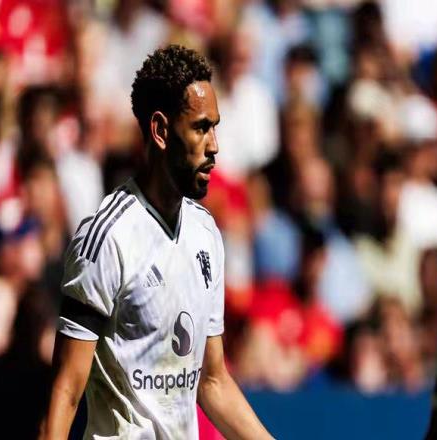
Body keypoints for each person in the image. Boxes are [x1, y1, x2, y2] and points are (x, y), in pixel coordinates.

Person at [41, 45, 273, 440]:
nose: (214, 145)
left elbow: (212, 381)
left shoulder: (205, 233)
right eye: (200, 127)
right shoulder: (108, 238)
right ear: (161, 130)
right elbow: (65, 393)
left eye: (215, 127)